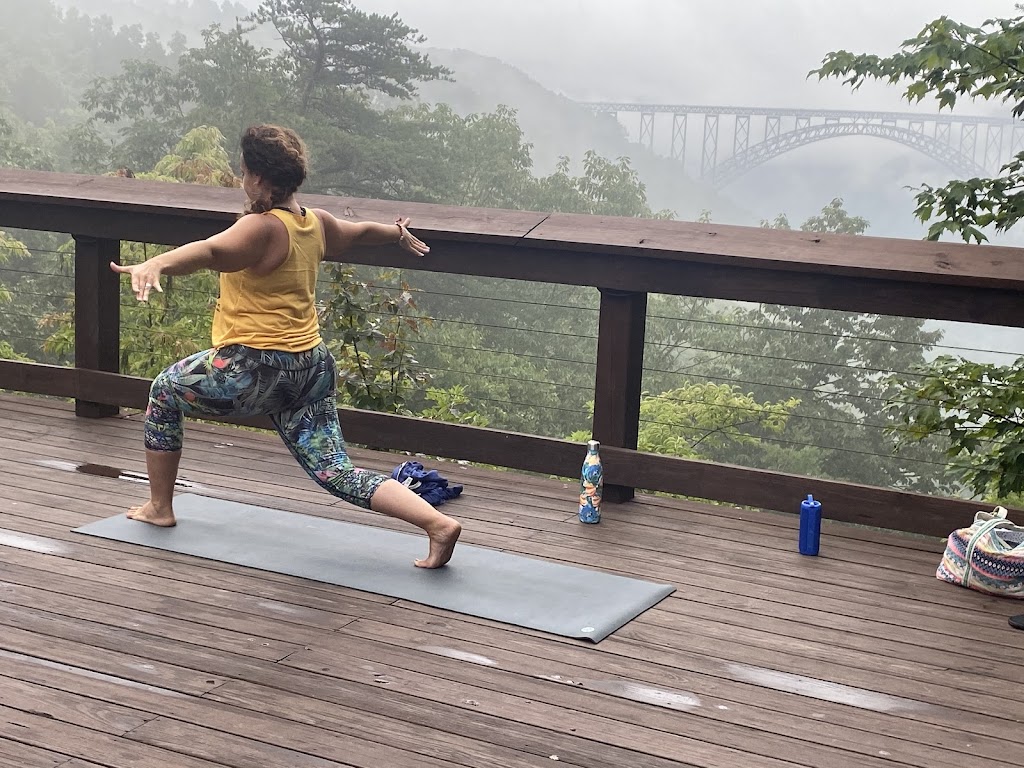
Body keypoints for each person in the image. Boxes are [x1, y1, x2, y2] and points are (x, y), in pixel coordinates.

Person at [109, 123, 462, 568]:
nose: (242, 178)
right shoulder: (315, 223)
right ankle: (437, 524)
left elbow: (211, 252)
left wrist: (157, 263)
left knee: (164, 391)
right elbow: (359, 232)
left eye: (243, 171)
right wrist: (395, 233)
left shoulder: (260, 228)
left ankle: (160, 508)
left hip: (255, 369)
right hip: (310, 368)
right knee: (337, 471)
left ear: (258, 177)